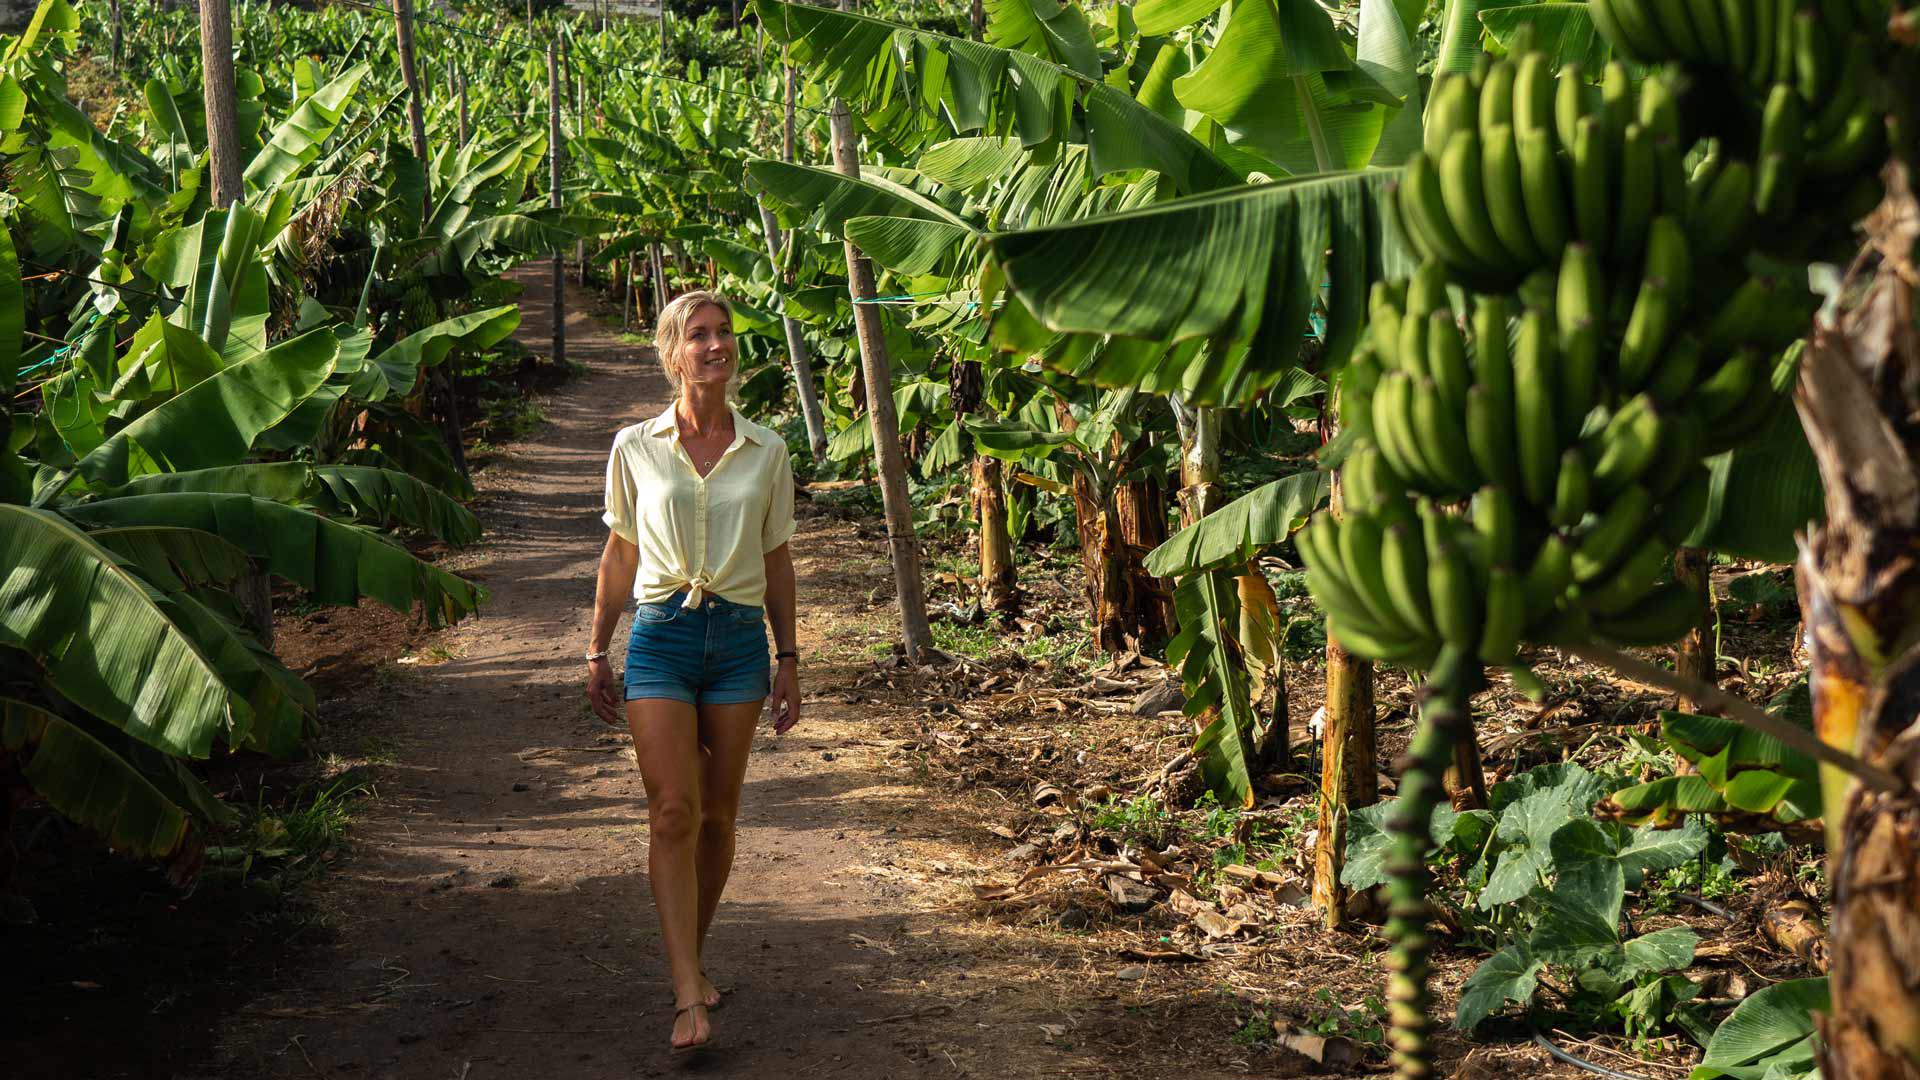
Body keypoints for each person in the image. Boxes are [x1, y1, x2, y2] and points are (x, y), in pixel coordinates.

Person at [584, 290, 800, 1056]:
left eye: (725, 334)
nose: (716, 346)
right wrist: (596, 647)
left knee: (718, 815)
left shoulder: (767, 450)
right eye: (699, 336)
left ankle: (691, 956)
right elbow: (620, 554)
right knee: (672, 810)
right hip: (662, 637)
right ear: (673, 353)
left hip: (740, 641)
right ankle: (686, 994)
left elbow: (776, 559)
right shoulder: (635, 446)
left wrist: (789, 657)